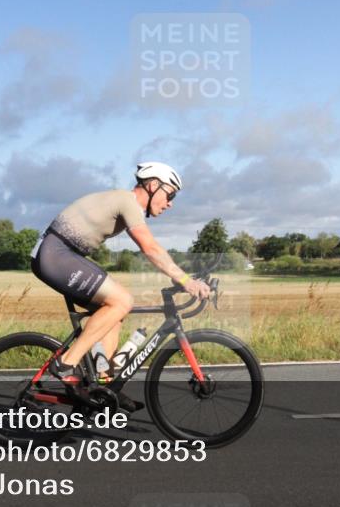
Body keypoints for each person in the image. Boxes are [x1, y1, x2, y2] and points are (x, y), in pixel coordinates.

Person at [31, 162, 210, 396]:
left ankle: (103, 387)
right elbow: (150, 247)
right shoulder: (128, 202)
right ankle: (65, 363)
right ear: (153, 185)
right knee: (123, 300)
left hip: (59, 254)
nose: (170, 203)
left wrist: (179, 277)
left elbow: (153, 250)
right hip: (56, 255)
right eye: (170, 194)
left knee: (114, 313)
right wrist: (186, 280)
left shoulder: (125, 203)